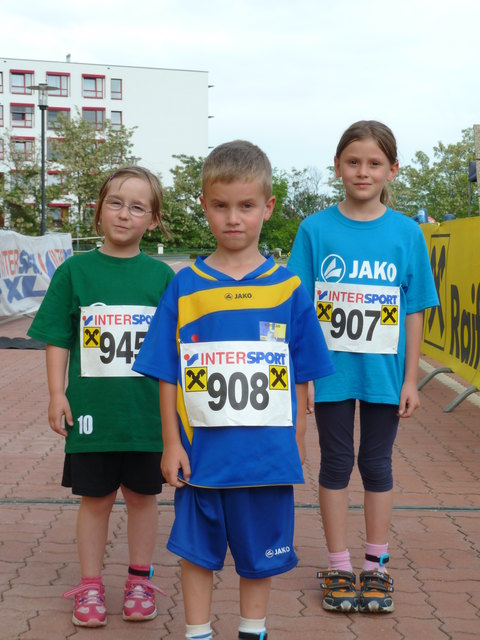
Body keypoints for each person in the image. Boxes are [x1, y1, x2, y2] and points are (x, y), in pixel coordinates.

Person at [133, 140, 334, 640]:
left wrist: (299, 439)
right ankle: (197, 632)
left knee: (258, 558)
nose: (233, 218)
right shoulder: (185, 286)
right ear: (204, 205)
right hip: (201, 459)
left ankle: (253, 631)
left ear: (267, 207)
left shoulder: (288, 288)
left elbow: (303, 372)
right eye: (221, 206)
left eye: (246, 206)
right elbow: (167, 371)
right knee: (197, 555)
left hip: (265, 458)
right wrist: (172, 443)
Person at [288, 121, 439, 614]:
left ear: (392, 170)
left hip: (384, 376)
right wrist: (304, 376)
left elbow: (414, 307)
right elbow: (300, 309)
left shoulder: (406, 233)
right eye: (353, 161)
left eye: (374, 163)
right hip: (331, 374)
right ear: (337, 167)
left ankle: (375, 565)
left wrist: (412, 377)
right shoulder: (315, 229)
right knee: (335, 464)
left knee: (376, 465)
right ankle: (337, 563)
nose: (363, 171)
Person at [27, 166, 174, 627]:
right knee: (95, 500)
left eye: (137, 207)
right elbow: (56, 337)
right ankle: (89, 585)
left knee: (143, 499)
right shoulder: (74, 272)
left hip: (146, 416)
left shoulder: (162, 278)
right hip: (93, 414)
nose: (124, 214)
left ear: (153, 220)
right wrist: (57, 394)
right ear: (97, 210)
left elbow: (176, 349)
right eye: (115, 203)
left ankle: (139, 580)